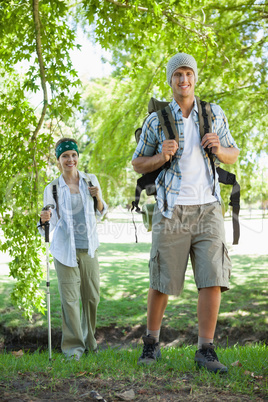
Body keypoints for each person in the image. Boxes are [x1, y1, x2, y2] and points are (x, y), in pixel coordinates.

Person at [132, 53, 239, 373]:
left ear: (195, 77)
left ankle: (205, 350)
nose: (183, 80)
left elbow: (233, 154)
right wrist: (161, 157)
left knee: (213, 278)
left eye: (188, 73)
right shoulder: (157, 120)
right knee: (163, 279)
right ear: (170, 80)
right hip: (171, 208)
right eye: (177, 74)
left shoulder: (213, 113)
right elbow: (138, 163)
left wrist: (219, 149)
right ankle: (151, 344)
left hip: (208, 207)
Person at [38, 137, 107, 361]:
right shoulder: (53, 188)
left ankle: (90, 342)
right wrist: (44, 219)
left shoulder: (91, 180)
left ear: (78, 157)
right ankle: (73, 349)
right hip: (65, 251)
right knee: (70, 301)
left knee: (91, 298)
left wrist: (97, 197)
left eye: (74, 155)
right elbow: (48, 225)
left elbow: (101, 212)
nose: (71, 159)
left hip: (88, 248)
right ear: (58, 160)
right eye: (65, 156)